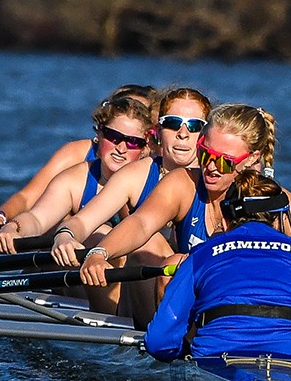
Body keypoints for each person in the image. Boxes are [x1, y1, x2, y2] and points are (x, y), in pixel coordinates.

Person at [78, 103, 291, 318]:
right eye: (205, 154)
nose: (210, 167)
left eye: (224, 161)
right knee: (166, 258)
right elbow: (142, 224)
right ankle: (167, 350)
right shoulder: (183, 184)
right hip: (184, 314)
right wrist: (100, 253)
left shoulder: (274, 201)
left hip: (243, 310)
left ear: (252, 160)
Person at [141, 172, 291, 381]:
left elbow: (158, 342)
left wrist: (185, 354)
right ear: (279, 220)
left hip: (215, 360)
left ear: (225, 220)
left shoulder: (201, 256)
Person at [47, 86, 212, 269]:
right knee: (130, 241)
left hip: (199, 285)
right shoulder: (135, 176)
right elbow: (83, 221)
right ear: (158, 131)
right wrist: (64, 236)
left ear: (206, 135)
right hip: (142, 286)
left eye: (195, 126)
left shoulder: (219, 178)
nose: (182, 134)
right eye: (173, 123)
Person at [0, 83, 157, 238]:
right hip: (71, 243)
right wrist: (3, 218)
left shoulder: (157, 170)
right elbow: (28, 200)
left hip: (123, 254)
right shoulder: (77, 157)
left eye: (133, 140)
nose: (122, 146)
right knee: (64, 222)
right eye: (114, 135)